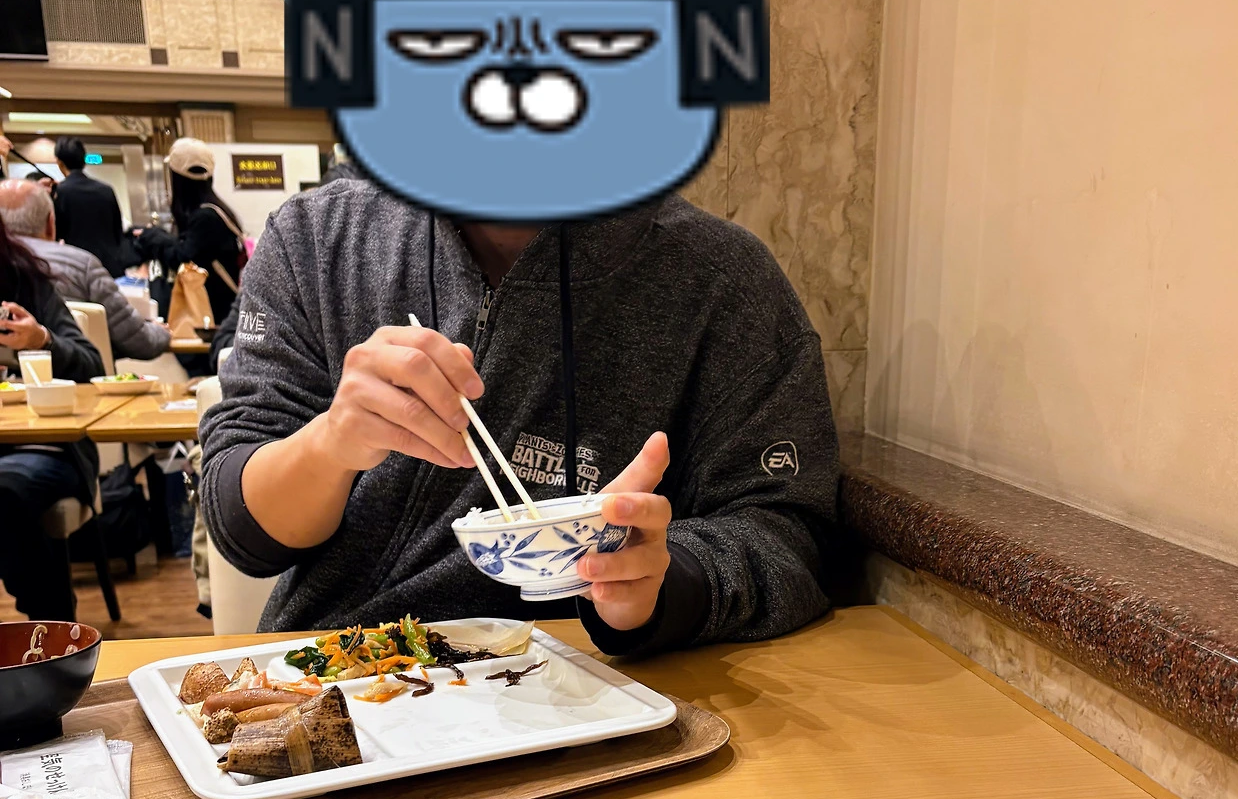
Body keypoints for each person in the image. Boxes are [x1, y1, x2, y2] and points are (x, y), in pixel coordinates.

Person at [199, 182, 839, 652]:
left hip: (595, 698)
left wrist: (664, 582)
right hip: (341, 683)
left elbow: (788, 532)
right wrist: (331, 444)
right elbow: (242, 527)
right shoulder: (318, 240)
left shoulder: (722, 282)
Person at [0, 217, 103, 620]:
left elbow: (91, 365)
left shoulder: (26, 282)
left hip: (50, 447)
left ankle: (51, 623)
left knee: (5, 492)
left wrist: (41, 339)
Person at [0, 178, 170, 363]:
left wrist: (42, 339)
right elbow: (137, 340)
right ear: (51, 223)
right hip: (75, 376)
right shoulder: (82, 266)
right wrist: (161, 331)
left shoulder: (38, 281)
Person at [132, 139, 244, 327]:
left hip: (214, 314)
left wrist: (154, 238)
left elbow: (183, 258)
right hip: (220, 311)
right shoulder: (217, 210)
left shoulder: (205, 217)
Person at [52, 137, 128, 277]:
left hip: (79, 267)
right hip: (110, 267)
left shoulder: (61, 192)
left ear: (59, 163)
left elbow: (55, 234)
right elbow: (118, 231)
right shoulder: (106, 190)